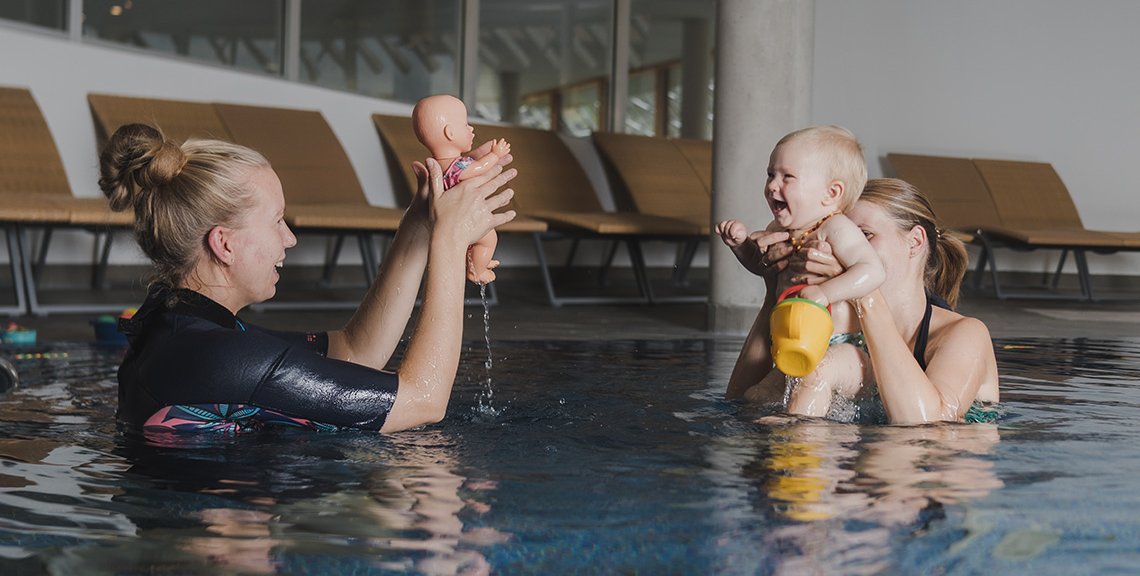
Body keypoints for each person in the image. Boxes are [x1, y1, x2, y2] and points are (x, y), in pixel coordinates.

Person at [99, 122, 517, 434]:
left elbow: (355, 352)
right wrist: (448, 244)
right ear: (224, 244)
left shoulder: (186, 329)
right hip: (224, 542)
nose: (290, 238)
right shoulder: (222, 355)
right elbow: (424, 402)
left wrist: (420, 225)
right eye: (277, 221)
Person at [726, 178, 1000, 424]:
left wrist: (864, 293)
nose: (842, 250)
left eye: (865, 235)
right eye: (843, 237)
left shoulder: (964, 334)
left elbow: (929, 426)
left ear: (915, 242)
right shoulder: (845, 334)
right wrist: (773, 289)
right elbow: (740, 404)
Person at [716, 125, 884, 415]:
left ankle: (798, 439)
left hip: (842, 347)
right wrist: (741, 245)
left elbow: (872, 271)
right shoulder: (778, 229)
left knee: (811, 384)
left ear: (831, 193)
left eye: (787, 177)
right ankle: (802, 440)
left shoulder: (836, 228)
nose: (772, 185)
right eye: (770, 174)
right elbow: (762, 267)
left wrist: (824, 292)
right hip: (793, 344)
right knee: (756, 398)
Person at [412, 94, 511, 285]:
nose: (471, 128)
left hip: (455, 216)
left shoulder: (443, 165)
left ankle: (477, 261)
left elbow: (473, 164)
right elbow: (478, 168)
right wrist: (494, 155)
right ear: (450, 133)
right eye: (466, 124)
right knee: (489, 238)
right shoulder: (457, 167)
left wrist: (487, 154)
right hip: (463, 216)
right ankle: (477, 271)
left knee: (479, 242)